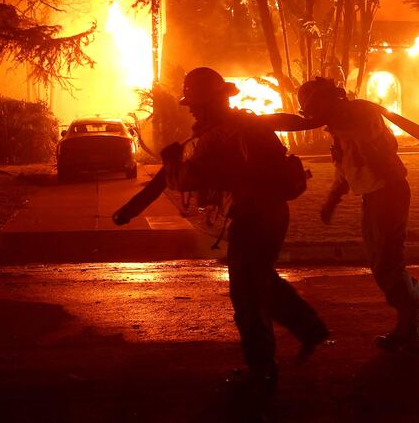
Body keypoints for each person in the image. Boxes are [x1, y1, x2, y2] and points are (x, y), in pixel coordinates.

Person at [124, 67, 329, 394]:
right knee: (259, 279)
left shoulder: (218, 135)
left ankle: (262, 369)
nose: (190, 109)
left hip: (254, 216)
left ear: (208, 102)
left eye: (194, 103)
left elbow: (186, 181)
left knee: (246, 294)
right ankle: (309, 329)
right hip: (273, 213)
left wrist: (172, 162)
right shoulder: (245, 123)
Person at [297, 77, 419, 354]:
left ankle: (412, 319)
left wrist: (339, 125)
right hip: (373, 197)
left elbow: (379, 146)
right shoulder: (339, 129)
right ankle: (416, 306)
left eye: (317, 108)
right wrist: (331, 200)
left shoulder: (362, 115)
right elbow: (345, 168)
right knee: (380, 263)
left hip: (389, 191)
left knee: (387, 263)